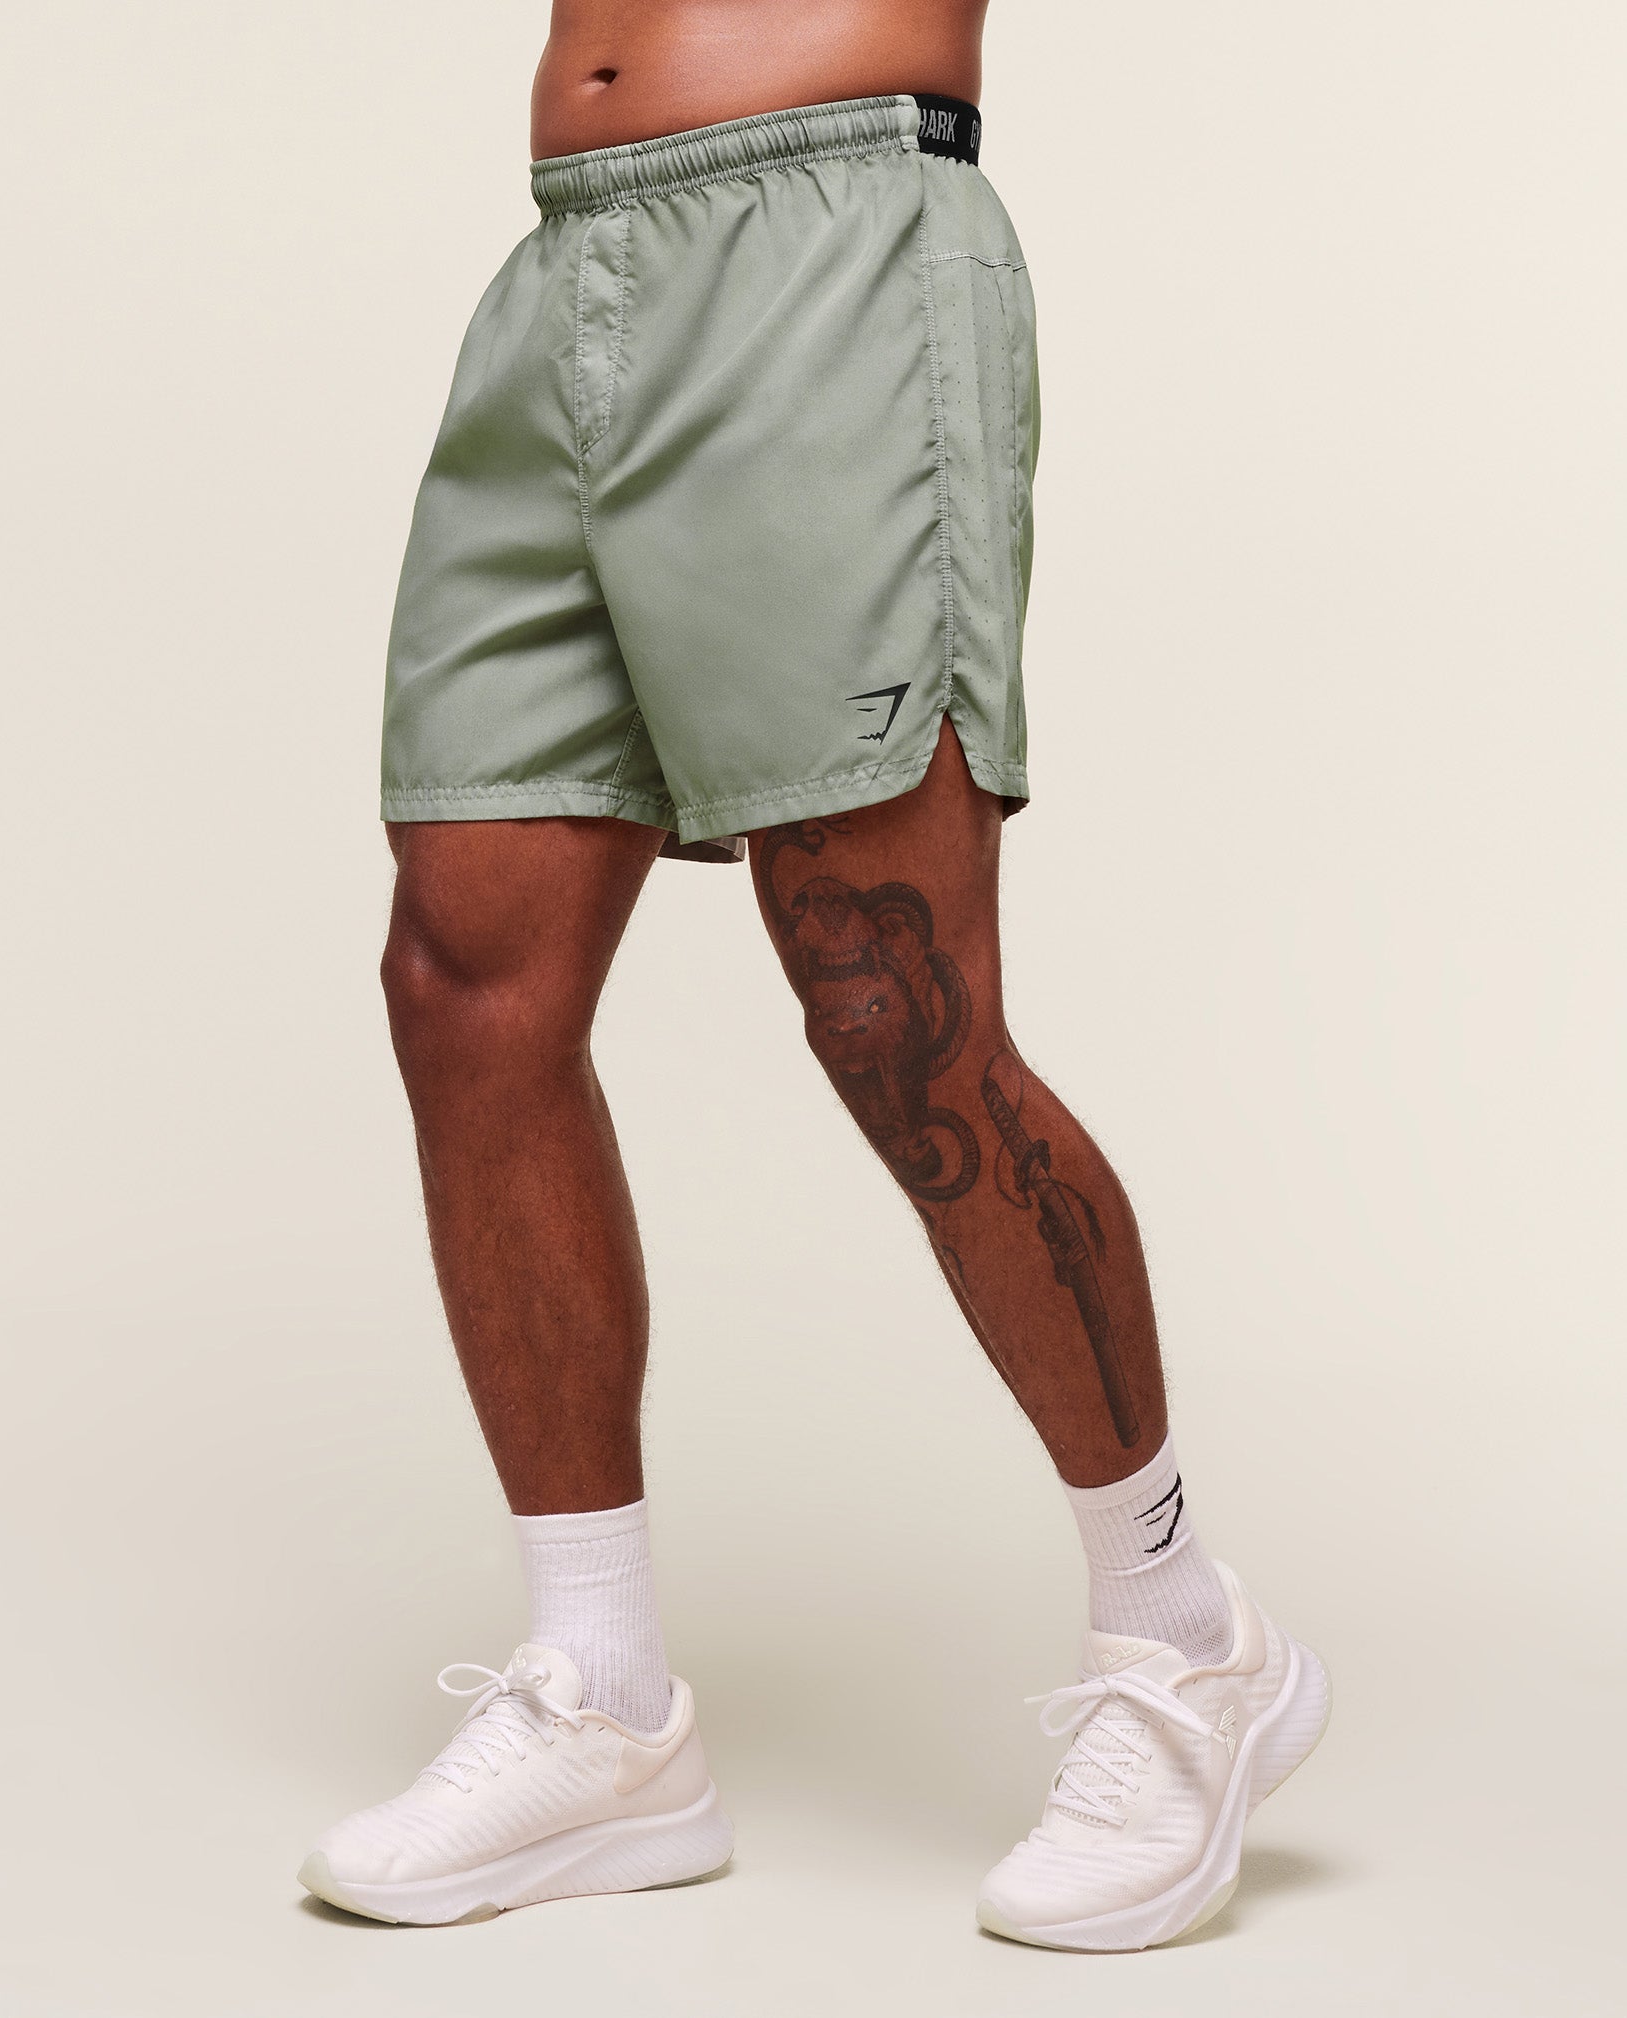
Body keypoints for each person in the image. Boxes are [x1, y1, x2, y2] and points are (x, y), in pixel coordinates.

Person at [298, 0, 1329, 1952]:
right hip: (567, 265)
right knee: (464, 977)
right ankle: (604, 1707)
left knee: (892, 1003)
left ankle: (1185, 1632)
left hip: (830, 239)